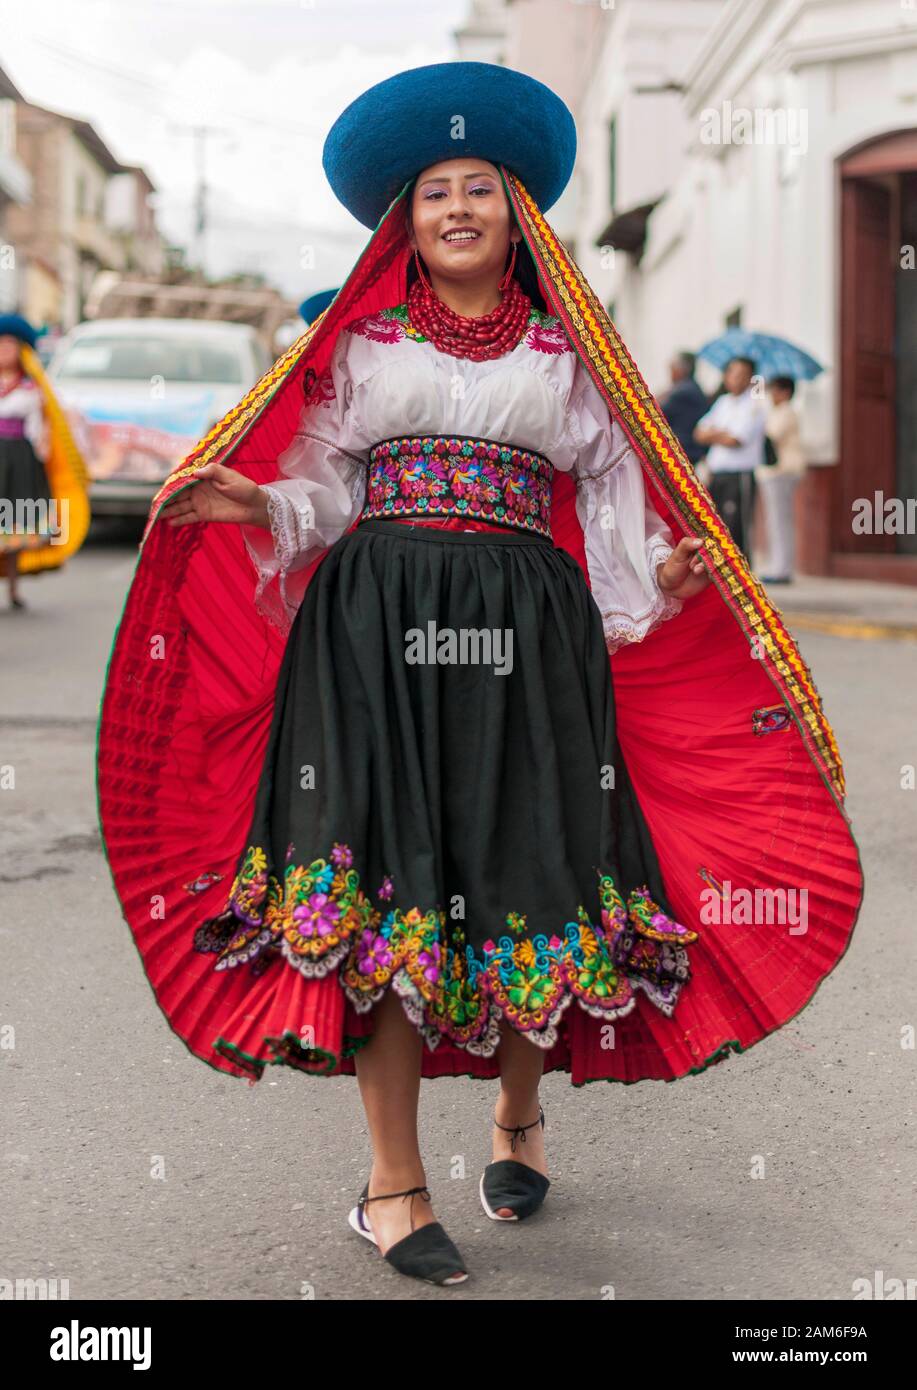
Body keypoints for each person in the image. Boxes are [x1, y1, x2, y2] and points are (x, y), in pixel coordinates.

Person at [96, 62, 862, 1291]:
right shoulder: (360, 347)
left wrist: (647, 582)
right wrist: (260, 499)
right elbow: (327, 486)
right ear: (403, 221)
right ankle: (391, 1183)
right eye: (433, 191)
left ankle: (516, 1116)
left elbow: (615, 495)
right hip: (370, 633)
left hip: (527, 634)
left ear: (518, 217)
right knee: (386, 890)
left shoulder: (571, 361)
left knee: (530, 879)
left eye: (480, 190)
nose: (456, 207)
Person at [0, 314, 90, 608]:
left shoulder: (31, 389)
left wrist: (43, 457)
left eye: (10, 346)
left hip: (18, 460)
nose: (4, 352)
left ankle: (13, 586)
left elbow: (41, 427)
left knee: (12, 525)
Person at [693, 355, 767, 559]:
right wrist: (722, 433)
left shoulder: (754, 405)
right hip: (717, 474)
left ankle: (743, 579)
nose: (736, 379)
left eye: (742, 375)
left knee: (737, 528)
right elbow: (699, 433)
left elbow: (736, 439)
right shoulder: (723, 402)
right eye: (732, 373)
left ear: (750, 378)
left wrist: (715, 433)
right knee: (716, 526)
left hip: (739, 476)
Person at [756, 376, 806, 584]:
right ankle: (778, 565)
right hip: (774, 473)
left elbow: (769, 435)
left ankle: (782, 569)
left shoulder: (786, 412)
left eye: (775, 390)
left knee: (779, 520)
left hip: (782, 472)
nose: (771, 395)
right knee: (775, 520)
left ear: (785, 392)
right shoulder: (777, 411)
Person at [660, 350, 708, 466]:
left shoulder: (684, 392)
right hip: (688, 450)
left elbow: (657, 413)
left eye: (672, 367)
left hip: (683, 450)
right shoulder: (689, 387)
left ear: (682, 370)